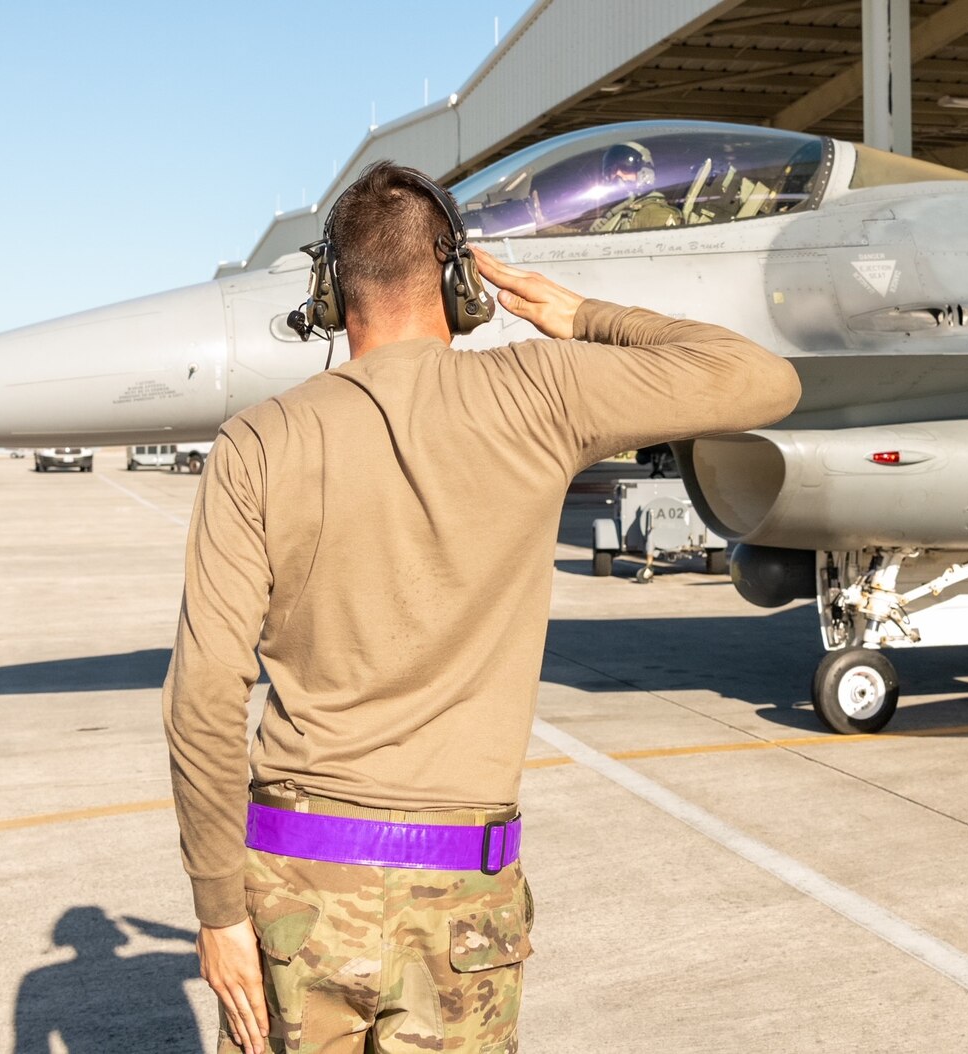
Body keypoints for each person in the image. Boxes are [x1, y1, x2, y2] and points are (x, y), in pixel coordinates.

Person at [163, 160, 800, 1054]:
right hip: (461, 896)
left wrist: (218, 910)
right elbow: (761, 377)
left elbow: (202, 694)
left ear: (329, 289)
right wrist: (584, 318)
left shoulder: (258, 441)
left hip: (293, 891)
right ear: (460, 282)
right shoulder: (539, 391)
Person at [586, 141, 681, 233]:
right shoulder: (609, 215)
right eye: (612, 170)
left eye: (626, 168)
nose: (617, 174)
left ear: (644, 173)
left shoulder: (654, 214)